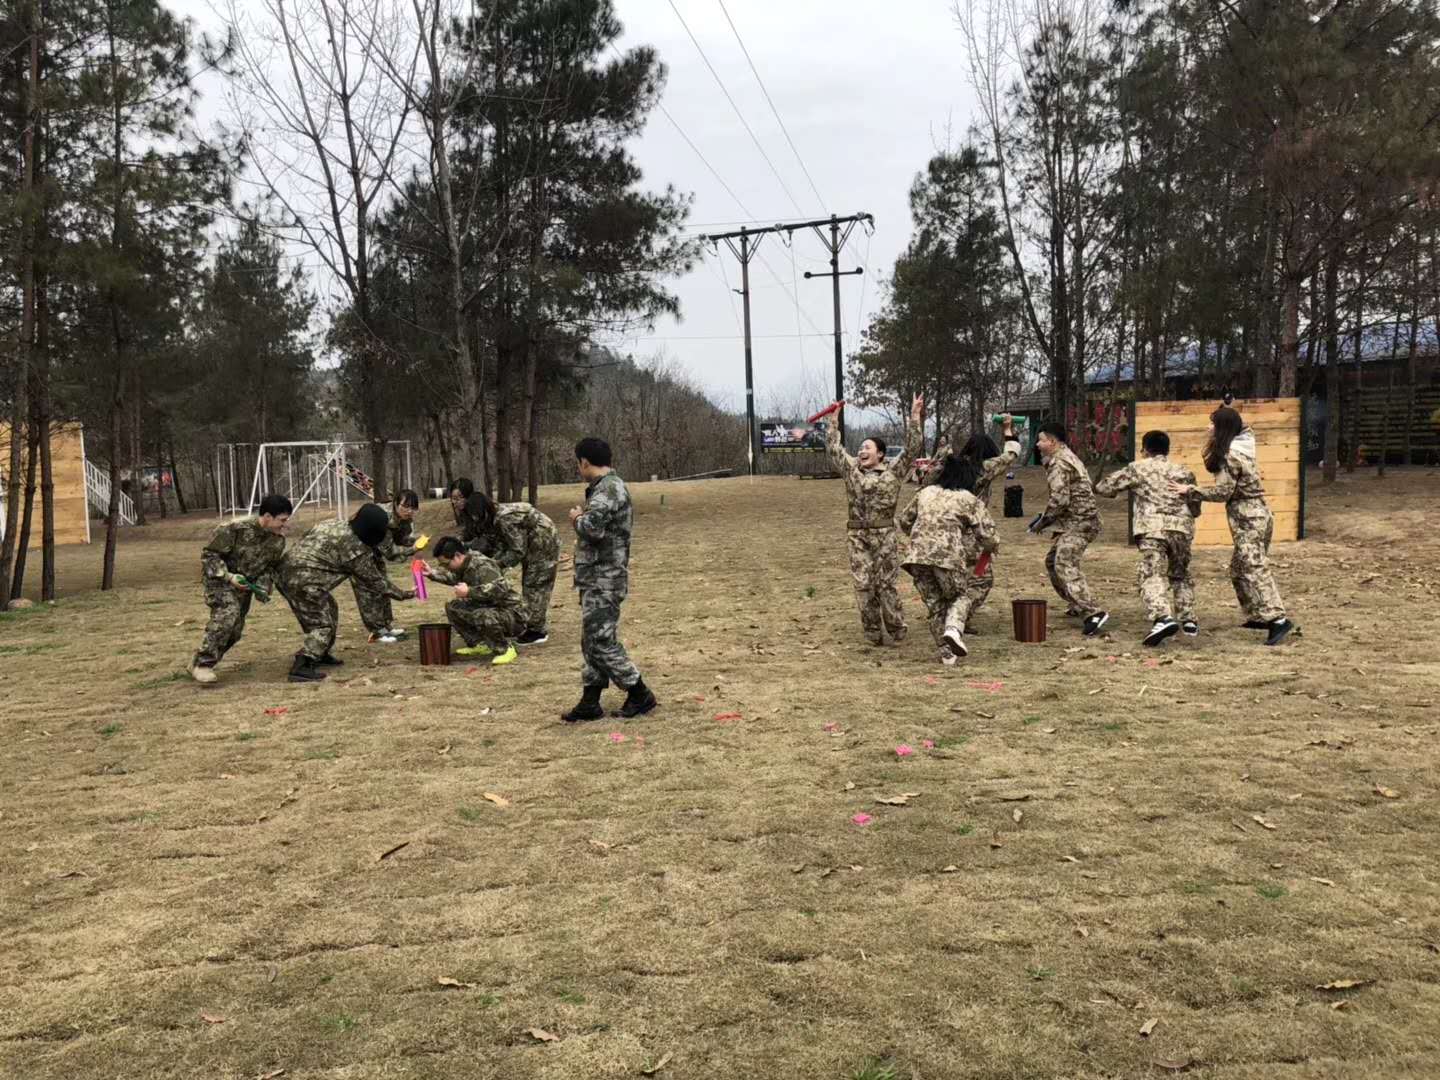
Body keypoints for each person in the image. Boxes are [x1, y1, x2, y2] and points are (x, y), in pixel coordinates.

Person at [1171, 406, 1296, 646]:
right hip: (1257, 514)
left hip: (1249, 517)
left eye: (1212, 424)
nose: (1208, 428)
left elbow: (1222, 492)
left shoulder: (1231, 455)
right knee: (1239, 568)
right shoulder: (1245, 445)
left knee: (1253, 566)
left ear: (1222, 429)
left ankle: (1277, 618)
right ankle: (1258, 615)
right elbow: (1245, 427)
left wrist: (1190, 491)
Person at [562, 436, 655, 722]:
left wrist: (577, 518)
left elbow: (592, 528)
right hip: (597, 577)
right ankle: (590, 700)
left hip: (605, 578)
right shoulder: (606, 488)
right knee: (591, 640)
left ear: (585, 462)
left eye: (579, 463)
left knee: (601, 641)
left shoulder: (608, 490)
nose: (579, 468)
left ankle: (639, 692)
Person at [826, 394, 924, 646]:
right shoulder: (851, 470)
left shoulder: (893, 471)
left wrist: (914, 417)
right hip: (857, 537)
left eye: (867, 448)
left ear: (880, 454)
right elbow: (834, 449)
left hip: (885, 537)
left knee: (886, 585)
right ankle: (871, 632)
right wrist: (833, 422)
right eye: (860, 448)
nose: (861, 451)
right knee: (863, 585)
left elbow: (912, 449)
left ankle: (896, 628)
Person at [279, 503, 416, 683]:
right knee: (322, 625)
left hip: (290, 573)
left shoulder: (334, 524)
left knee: (330, 608)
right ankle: (303, 663)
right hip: (303, 582)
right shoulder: (356, 550)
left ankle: (322, 652)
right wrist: (405, 594)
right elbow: (377, 583)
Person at [1095, 430, 1201, 646]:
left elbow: (1105, 487)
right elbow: (1195, 505)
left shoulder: (1138, 468)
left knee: (1151, 574)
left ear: (1145, 449)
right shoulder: (1184, 471)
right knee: (1180, 572)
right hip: (1181, 529)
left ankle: (1162, 617)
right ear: (1167, 449)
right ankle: (1188, 619)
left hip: (1152, 529)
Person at [897, 455, 999, 664]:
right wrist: (990, 548)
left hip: (916, 558)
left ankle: (947, 654)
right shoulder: (968, 499)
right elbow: (988, 536)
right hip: (947, 558)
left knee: (935, 604)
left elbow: (905, 521)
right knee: (960, 597)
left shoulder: (925, 492)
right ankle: (953, 629)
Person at [189, 494, 293, 684]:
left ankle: (197, 662)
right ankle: (203, 664)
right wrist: (228, 576)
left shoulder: (277, 541)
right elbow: (209, 555)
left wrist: (263, 586)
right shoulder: (234, 529)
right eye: (282, 520)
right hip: (220, 582)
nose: (284, 525)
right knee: (228, 615)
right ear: (268, 516)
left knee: (235, 631)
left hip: (244, 588)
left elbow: (268, 568)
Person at [1031, 422, 1108, 636]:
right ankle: (1076, 603)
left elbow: (1060, 499)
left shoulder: (1059, 462)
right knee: (1051, 561)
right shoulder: (1067, 456)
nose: (1038, 444)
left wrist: (1044, 522)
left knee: (1064, 562)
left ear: (1052, 442)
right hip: (1077, 520)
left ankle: (1093, 611)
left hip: (1081, 521)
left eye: (1041, 440)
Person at [454, 491, 559, 645]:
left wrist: (498, 565)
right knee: (530, 582)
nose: (475, 519)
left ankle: (537, 631)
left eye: (477, 516)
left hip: (543, 543)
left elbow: (517, 550)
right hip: (531, 542)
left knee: (535, 584)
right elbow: (502, 543)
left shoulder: (504, 518)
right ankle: (531, 624)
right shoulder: (493, 518)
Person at [424, 536, 523, 665]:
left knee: (481, 614)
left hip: (512, 614)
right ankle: (479, 644)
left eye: (446, 564)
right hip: (491, 608)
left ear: (458, 555)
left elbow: (500, 590)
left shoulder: (482, 566)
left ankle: (505, 648)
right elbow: (453, 578)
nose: (446, 567)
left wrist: (469, 592)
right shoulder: (464, 565)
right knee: (453, 607)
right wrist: (432, 574)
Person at [352, 489, 426, 644]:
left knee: (382, 586)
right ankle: (376, 632)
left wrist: (415, 541)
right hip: (358, 552)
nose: (409, 511)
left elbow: (401, 539)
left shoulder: (405, 519)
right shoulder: (383, 518)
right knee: (369, 591)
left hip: (374, 553)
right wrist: (413, 549)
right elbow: (390, 552)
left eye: (413, 508)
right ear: (395, 503)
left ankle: (386, 625)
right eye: (405, 506)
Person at [448, 478, 490, 552]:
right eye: (452, 498)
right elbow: (470, 531)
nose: (454, 502)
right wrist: (459, 538)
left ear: (468, 497)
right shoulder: (466, 512)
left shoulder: (490, 514)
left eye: (457, 498)